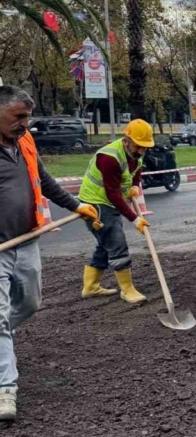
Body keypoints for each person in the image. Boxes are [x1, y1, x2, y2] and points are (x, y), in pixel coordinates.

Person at [0, 86, 99, 421]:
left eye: (27, 116)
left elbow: (44, 181)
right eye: (19, 117)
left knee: (28, 304)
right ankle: (5, 390)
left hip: (26, 241)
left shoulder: (25, 142)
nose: (25, 124)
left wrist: (78, 205)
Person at [78, 119, 154, 305]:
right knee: (116, 244)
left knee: (106, 244)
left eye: (145, 147)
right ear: (126, 140)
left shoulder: (135, 153)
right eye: (138, 146)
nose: (142, 151)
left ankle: (90, 287)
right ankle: (127, 290)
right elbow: (112, 193)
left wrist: (135, 186)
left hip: (109, 202)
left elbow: (136, 171)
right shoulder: (109, 158)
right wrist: (134, 219)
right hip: (95, 204)